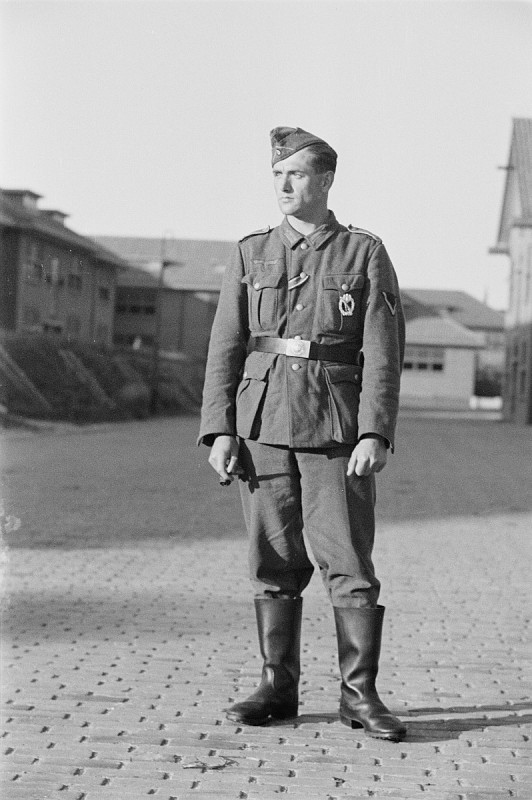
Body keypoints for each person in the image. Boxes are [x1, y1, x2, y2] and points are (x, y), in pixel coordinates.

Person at [198, 126, 406, 742]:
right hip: (261, 425)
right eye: (277, 175)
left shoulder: (363, 253)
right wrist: (219, 429)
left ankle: (359, 695)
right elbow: (225, 345)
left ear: (326, 180)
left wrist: (375, 432)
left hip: (334, 426)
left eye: (296, 173)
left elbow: (384, 352)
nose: (284, 185)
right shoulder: (252, 252)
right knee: (272, 559)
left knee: (347, 559)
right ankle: (276, 688)